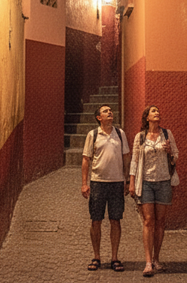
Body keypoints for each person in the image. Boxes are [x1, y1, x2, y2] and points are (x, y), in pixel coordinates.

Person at [129, 105, 179, 277]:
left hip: (164, 181)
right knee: (148, 221)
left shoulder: (167, 134)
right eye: (153, 111)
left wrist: (170, 151)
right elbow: (134, 161)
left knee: (160, 221)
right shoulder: (140, 137)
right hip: (146, 183)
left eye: (158, 110)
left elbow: (176, 156)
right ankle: (148, 261)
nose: (157, 113)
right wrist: (132, 183)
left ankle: (157, 259)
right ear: (147, 117)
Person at [81, 104, 131, 272]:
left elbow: (125, 157)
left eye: (110, 111)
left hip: (116, 183)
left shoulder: (120, 134)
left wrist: (127, 179)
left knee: (115, 220)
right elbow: (86, 159)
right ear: (98, 117)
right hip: (98, 182)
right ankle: (96, 257)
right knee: (96, 220)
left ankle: (115, 258)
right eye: (105, 111)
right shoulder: (93, 134)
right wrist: (84, 183)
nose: (110, 112)